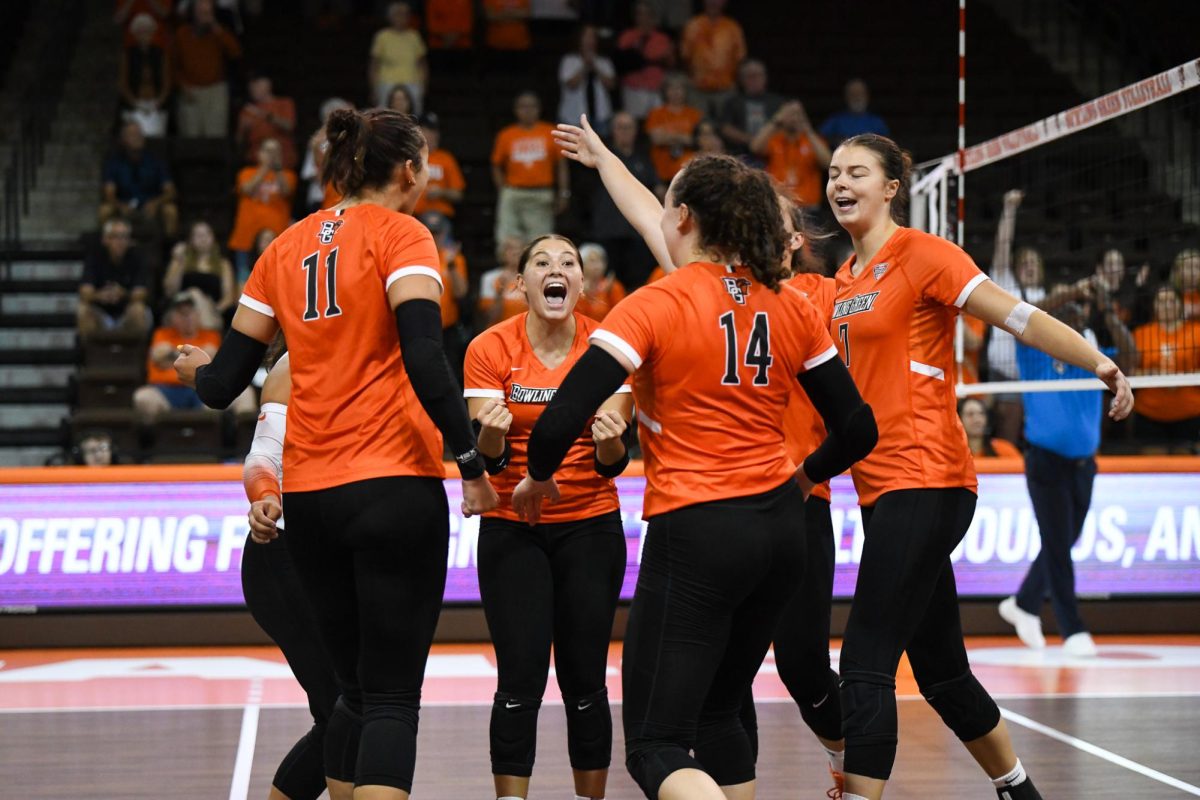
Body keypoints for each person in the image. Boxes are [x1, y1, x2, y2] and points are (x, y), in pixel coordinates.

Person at [512, 151, 877, 800]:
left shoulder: (657, 303)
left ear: (680, 217)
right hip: (782, 532)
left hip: (699, 527)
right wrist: (801, 481)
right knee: (716, 710)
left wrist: (538, 477)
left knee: (654, 744)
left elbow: (562, 414)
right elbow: (858, 429)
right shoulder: (789, 305)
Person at [173, 106, 499, 799]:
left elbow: (224, 384)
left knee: (349, 694)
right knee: (389, 701)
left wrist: (193, 370)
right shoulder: (404, 235)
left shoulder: (282, 248)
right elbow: (425, 356)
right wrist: (470, 463)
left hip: (312, 503)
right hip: (392, 486)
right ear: (409, 169)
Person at [824, 133, 1132, 800]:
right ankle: (1020, 791)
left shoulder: (924, 255)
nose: (839, 182)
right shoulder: (841, 282)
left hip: (928, 475)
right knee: (939, 672)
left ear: (890, 188)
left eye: (856, 172)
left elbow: (1018, 318)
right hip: (880, 488)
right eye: (832, 173)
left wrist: (1098, 362)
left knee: (866, 657)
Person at [464, 234, 633, 800]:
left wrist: (611, 445)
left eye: (568, 264)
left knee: (586, 683)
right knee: (519, 683)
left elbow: (613, 466)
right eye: (541, 262)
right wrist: (489, 436)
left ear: (583, 286)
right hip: (513, 531)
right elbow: (488, 460)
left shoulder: (607, 347)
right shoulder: (489, 347)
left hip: (590, 524)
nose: (555, 270)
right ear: (520, 284)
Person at [1000, 295, 1135, 657]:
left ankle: (1024, 602)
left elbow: (1130, 354)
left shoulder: (1091, 352)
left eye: (1078, 308)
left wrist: (1107, 308)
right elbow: (1024, 312)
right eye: (1066, 309)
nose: (1074, 312)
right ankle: (1071, 628)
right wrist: (1074, 290)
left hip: (1084, 464)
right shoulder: (1033, 350)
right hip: (1045, 461)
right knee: (1059, 544)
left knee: (1064, 540)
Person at [241, 350, 349, 800]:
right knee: (345, 707)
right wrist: (265, 495)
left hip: (336, 556)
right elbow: (262, 456)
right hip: (281, 552)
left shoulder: (383, 357)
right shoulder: (292, 366)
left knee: (348, 708)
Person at [985, 190, 1047, 447]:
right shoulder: (1005, 283)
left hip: (1034, 375)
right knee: (1008, 426)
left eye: (1034, 263)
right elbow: (1002, 247)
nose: (1030, 267)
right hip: (1004, 374)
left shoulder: (1047, 295)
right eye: (1024, 263)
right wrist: (1009, 211)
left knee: (1038, 431)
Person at [588, 112, 660, 289]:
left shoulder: (644, 158)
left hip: (637, 232)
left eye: (628, 127)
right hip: (608, 230)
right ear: (613, 130)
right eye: (620, 127)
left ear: (636, 131)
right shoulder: (602, 157)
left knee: (638, 285)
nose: (624, 131)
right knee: (607, 284)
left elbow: (658, 188)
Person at [491, 92, 569, 245]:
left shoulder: (550, 132)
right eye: (523, 106)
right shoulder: (506, 135)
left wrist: (564, 193)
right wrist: (503, 190)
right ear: (516, 110)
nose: (527, 110)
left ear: (539, 109)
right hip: (513, 192)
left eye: (532, 106)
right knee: (507, 240)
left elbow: (561, 165)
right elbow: (496, 165)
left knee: (540, 242)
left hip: (541, 193)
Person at [133, 292, 223, 423]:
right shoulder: (162, 334)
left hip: (201, 390)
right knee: (143, 397)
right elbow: (158, 355)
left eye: (190, 312)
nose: (186, 318)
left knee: (236, 396)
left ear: (198, 315)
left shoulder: (210, 335)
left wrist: (172, 357)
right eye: (181, 313)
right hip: (165, 390)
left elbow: (211, 356)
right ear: (172, 317)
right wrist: (195, 357)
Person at [1131, 285, 1200, 452]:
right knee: (1154, 470)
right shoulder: (1141, 334)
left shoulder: (1197, 332)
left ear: (1180, 304)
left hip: (1189, 414)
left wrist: (1182, 377)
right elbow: (1130, 373)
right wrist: (1153, 375)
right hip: (1149, 414)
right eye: (1161, 301)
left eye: (1171, 300)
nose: (1167, 305)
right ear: (1154, 306)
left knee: (1186, 471)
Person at [228, 139, 296, 282]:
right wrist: (265, 167)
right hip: (246, 239)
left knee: (276, 282)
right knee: (244, 283)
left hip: (276, 241)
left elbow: (286, 191)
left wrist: (276, 170)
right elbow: (247, 189)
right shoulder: (246, 172)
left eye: (276, 152)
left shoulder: (288, 175)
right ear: (259, 154)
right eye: (267, 151)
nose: (271, 155)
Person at [99, 121, 179, 239]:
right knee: (104, 210)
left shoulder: (155, 161)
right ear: (123, 140)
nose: (138, 138)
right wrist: (121, 206)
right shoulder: (114, 163)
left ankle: (169, 248)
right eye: (132, 134)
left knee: (170, 210)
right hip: (125, 206)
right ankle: (108, 249)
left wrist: (155, 203)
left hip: (150, 206)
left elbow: (171, 191)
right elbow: (108, 193)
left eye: (139, 134)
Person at [173, 0, 241, 138]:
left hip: (215, 91)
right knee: (190, 137)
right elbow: (172, 64)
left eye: (208, 12)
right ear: (193, 12)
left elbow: (235, 52)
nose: (204, 15)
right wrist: (181, 84)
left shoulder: (219, 32)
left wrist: (216, 28)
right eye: (201, 12)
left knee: (215, 136)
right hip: (190, 91)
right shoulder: (182, 34)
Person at [77, 218, 152, 340]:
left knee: (139, 310)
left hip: (126, 312)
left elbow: (141, 294)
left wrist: (123, 294)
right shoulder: (95, 257)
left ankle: (137, 355)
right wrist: (100, 295)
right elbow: (85, 292)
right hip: (101, 312)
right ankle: (90, 356)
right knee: (83, 309)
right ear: (105, 239)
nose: (120, 241)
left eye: (124, 237)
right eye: (115, 237)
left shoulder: (137, 257)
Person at [750, 100, 831, 211]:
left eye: (798, 114)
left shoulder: (812, 141)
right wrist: (776, 121)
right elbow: (755, 147)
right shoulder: (774, 139)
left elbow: (827, 162)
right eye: (790, 114)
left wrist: (808, 130)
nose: (794, 118)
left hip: (808, 208)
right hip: (778, 206)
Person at [679, 0, 746, 119]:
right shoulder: (692, 25)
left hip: (726, 89)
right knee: (699, 127)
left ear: (724, 3)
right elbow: (685, 57)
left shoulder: (733, 27)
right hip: (697, 90)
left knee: (726, 126)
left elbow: (740, 58)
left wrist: (736, 84)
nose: (713, 3)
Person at [163, 220, 237, 327]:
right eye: (198, 235)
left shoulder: (223, 264)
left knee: (196, 295)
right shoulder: (180, 261)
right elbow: (170, 291)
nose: (203, 238)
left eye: (207, 234)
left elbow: (228, 297)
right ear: (191, 240)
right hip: (181, 309)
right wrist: (180, 262)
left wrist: (215, 310)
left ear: (213, 238)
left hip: (211, 311)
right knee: (193, 293)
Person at [614, 2, 675, 120]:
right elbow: (619, 63)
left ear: (653, 17)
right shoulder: (627, 36)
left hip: (656, 89)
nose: (644, 17)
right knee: (633, 123)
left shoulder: (662, 39)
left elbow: (670, 63)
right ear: (635, 17)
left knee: (658, 122)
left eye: (647, 14)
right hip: (633, 88)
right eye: (640, 14)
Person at [119, 12, 172, 137]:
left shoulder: (160, 54)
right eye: (140, 32)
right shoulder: (128, 55)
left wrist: (159, 102)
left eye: (147, 31)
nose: (144, 35)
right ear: (135, 34)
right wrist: (135, 103)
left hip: (156, 103)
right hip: (135, 103)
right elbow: (122, 82)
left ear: (152, 33)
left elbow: (167, 82)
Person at [557, 25, 617, 137]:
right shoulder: (569, 60)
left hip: (601, 115)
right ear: (579, 38)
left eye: (593, 36)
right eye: (587, 36)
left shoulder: (604, 61)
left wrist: (595, 67)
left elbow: (611, 85)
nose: (590, 40)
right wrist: (585, 66)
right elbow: (571, 84)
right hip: (573, 116)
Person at [718, 59, 784, 159]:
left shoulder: (777, 102)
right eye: (751, 76)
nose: (756, 79)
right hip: (741, 155)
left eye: (759, 75)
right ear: (742, 79)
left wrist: (764, 141)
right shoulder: (733, 102)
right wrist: (751, 140)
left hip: (772, 154)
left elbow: (784, 128)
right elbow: (725, 128)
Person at [369, 1, 427, 110]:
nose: (401, 17)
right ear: (390, 17)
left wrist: (423, 86)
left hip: (412, 82)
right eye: (398, 14)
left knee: (413, 118)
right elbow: (374, 66)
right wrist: (374, 89)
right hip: (386, 82)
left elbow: (422, 65)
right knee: (386, 119)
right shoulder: (382, 36)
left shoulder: (414, 36)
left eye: (405, 14)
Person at [644, 73, 701, 184]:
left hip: (688, 172)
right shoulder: (656, 113)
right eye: (671, 88)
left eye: (679, 88)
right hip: (660, 171)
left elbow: (696, 140)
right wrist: (683, 137)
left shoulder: (694, 114)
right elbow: (657, 139)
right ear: (665, 91)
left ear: (686, 91)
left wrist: (668, 136)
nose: (675, 92)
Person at [412, 112, 466, 229]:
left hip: (442, 217)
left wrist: (441, 192)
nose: (433, 135)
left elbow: (458, 195)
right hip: (415, 217)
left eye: (434, 131)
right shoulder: (411, 158)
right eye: (428, 130)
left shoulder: (446, 158)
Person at [300, 97, 353, 213]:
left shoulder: (351, 139)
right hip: (320, 196)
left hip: (346, 196)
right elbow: (309, 172)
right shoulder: (316, 140)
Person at [236, 74, 298, 169]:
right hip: (256, 162)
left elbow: (289, 126)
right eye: (251, 86)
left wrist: (265, 115)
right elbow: (239, 142)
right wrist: (243, 129)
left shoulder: (284, 103)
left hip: (282, 160)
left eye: (257, 85)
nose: (253, 89)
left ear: (268, 84)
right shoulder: (247, 110)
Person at [818, 79, 890, 147]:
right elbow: (821, 138)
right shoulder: (836, 120)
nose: (857, 97)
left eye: (860, 93)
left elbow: (886, 145)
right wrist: (837, 141)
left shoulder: (877, 122)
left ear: (867, 96)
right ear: (846, 96)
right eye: (853, 94)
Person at [478, 236, 529, 326]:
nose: (516, 252)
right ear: (502, 253)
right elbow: (490, 317)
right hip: (499, 334)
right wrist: (500, 290)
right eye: (510, 248)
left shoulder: (532, 278)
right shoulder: (490, 278)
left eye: (519, 249)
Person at [574, 242, 625, 321]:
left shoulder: (613, 286)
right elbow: (575, 317)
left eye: (601, 261)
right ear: (581, 264)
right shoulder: (575, 286)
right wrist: (583, 297)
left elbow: (621, 314)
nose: (598, 266)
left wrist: (608, 294)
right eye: (592, 261)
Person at [1171, 247, 1200, 319]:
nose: (1194, 272)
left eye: (1198, 267)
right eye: (1188, 267)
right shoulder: (1169, 295)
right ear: (1177, 270)